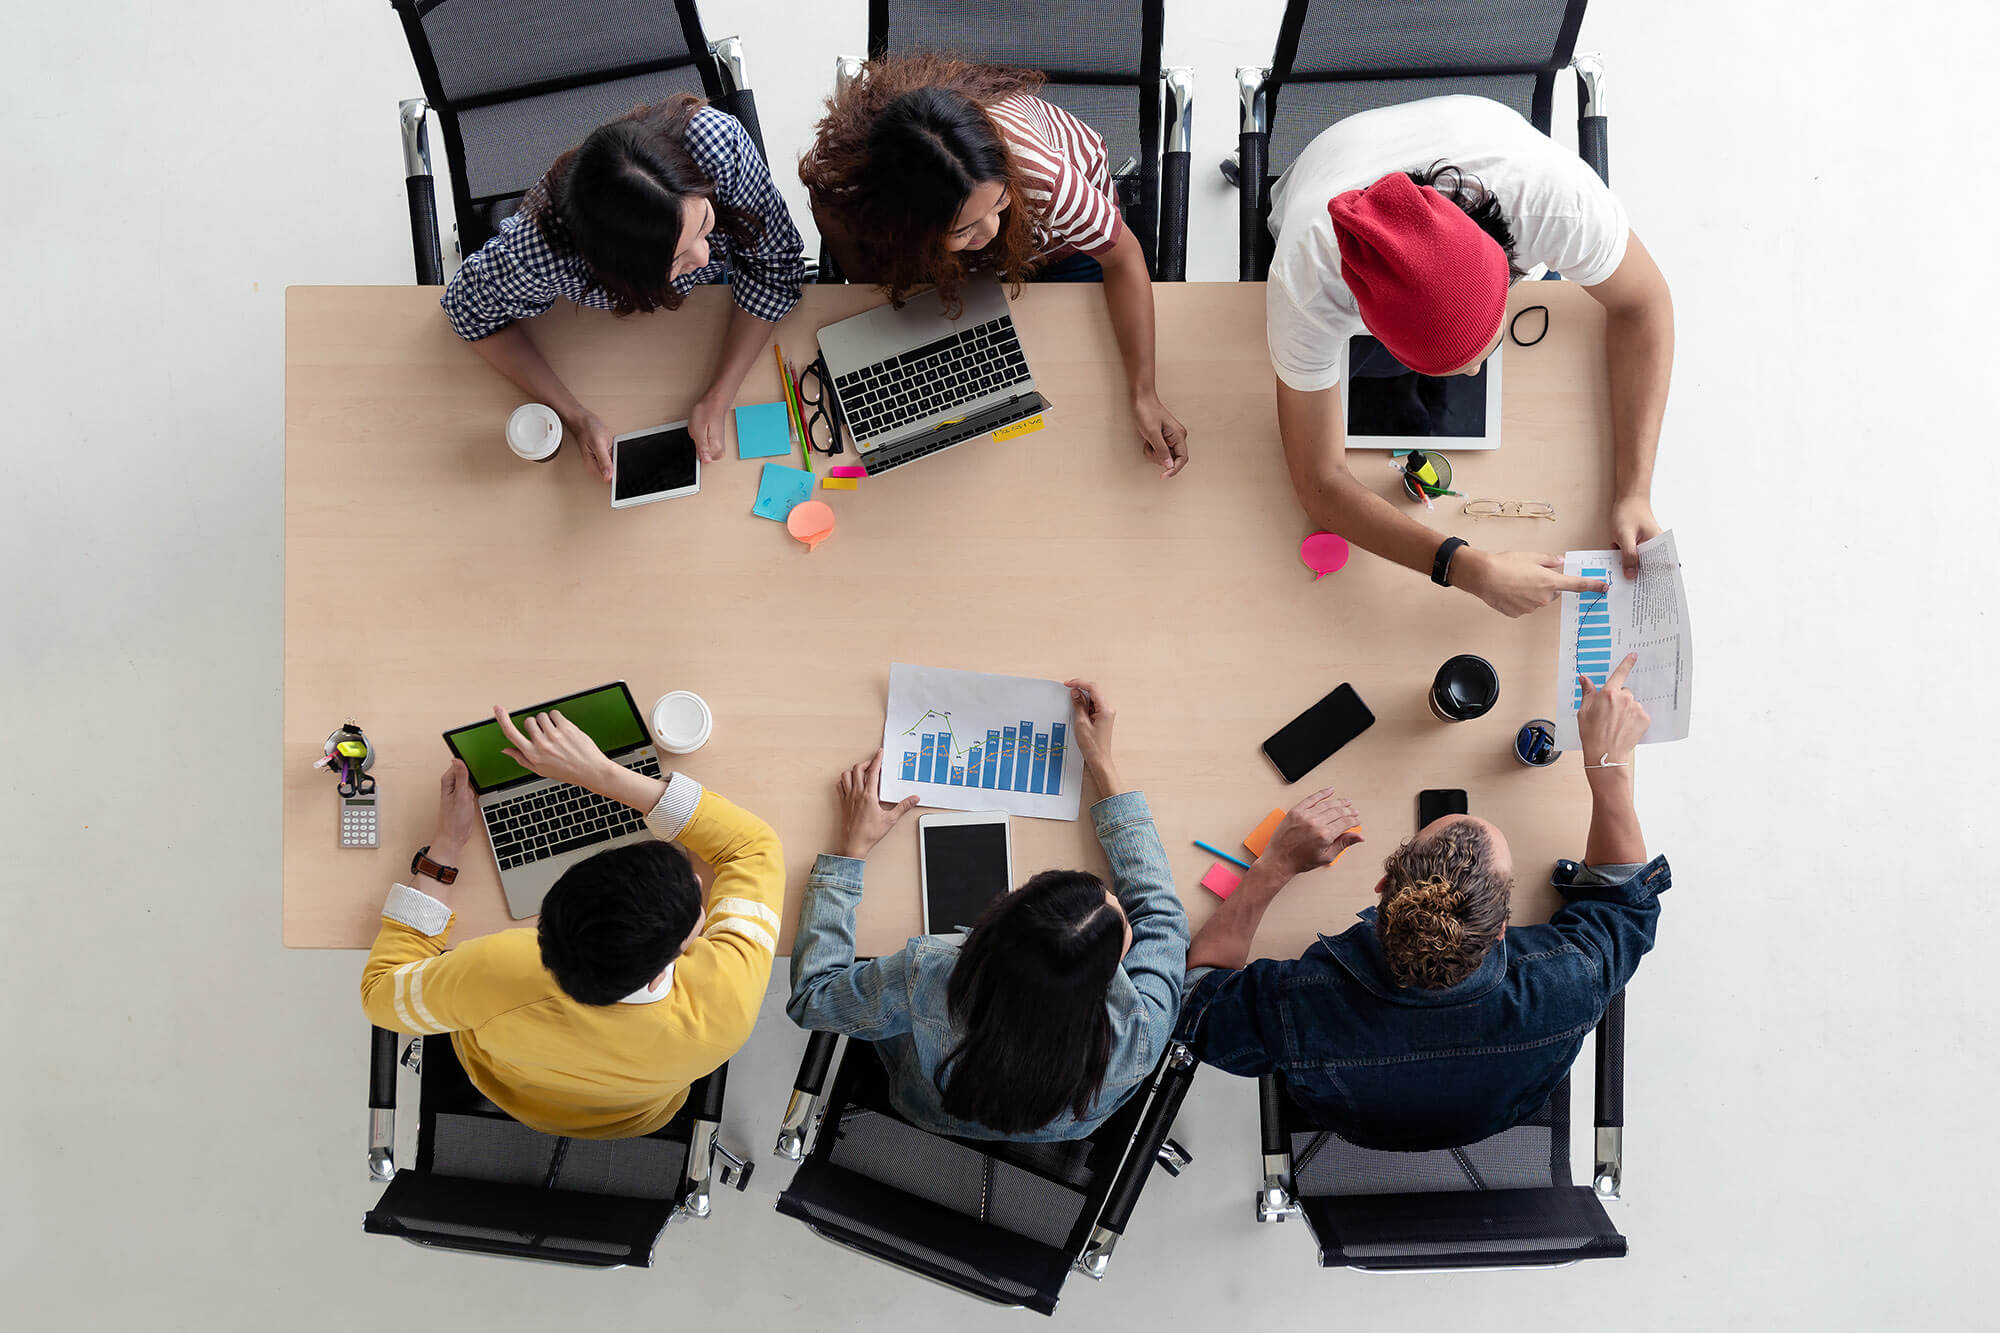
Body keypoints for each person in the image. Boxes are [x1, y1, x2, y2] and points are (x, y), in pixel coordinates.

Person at [1178, 654, 1667, 1151]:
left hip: (1358, 1120)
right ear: (1502, 929)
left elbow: (1194, 1001)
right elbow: (1623, 902)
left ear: (1381, 887)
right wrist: (1608, 766)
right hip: (1490, 1117)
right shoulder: (1564, 986)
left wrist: (1275, 864)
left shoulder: (1302, 1008)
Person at [1264, 95, 1675, 615]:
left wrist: (1635, 491)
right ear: (1371, 330)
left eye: (1490, 344)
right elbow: (1319, 482)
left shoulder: (1557, 203)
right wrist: (1465, 566)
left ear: (1507, 266)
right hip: (1332, 157)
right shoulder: (1307, 277)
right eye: (1447, 368)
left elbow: (1646, 303)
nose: (1475, 373)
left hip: (1481, 132)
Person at [786, 681, 1188, 1141]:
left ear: (997, 916)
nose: (1119, 903)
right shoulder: (1140, 1031)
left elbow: (812, 999)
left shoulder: (931, 974)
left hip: (933, 1109)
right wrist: (1102, 764)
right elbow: (1160, 914)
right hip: (1060, 1127)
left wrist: (848, 854)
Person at [360, 707, 783, 1138]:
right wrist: (602, 773)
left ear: (546, 914)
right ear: (673, 960)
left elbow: (380, 995)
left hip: (510, 1086)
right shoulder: (726, 1005)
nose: (697, 880)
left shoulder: (496, 967)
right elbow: (752, 848)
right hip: (633, 1116)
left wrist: (446, 848)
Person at [800, 55, 1188, 478]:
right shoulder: (859, 189)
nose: (991, 227)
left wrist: (1144, 394)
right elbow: (831, 211)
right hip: (948, 257)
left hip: (1058, 244)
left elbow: (1124, 258)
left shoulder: (1047, 181)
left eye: (999, 204)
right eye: (964, 227)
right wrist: (888, 291)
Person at [441, 95, 805, 479]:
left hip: (714, 309)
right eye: (677, 260)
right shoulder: (543, 250)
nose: (703, 257)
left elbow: (775, 270)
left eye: (704, 224)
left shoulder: (716, 146)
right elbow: (468, 311)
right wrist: (576, 417)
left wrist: (719, 395)